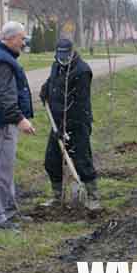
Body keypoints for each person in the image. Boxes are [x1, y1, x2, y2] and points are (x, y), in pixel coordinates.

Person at [0, 21, 36, 230]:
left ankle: (9, 211)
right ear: (10, 38)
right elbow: (4, 95)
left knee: (5, 167)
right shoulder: (3, 62)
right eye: (22, 38)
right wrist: (19, 119)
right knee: (0, 170)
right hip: (0, 122)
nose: (23, 42)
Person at [39, 37, 99, 211]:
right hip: (57, 123)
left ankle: (93, 196)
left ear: (72, 52)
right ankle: (57, 197)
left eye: (66, 55)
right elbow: (52, 81)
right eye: (60, 54)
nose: (62, 58)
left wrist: (66, 126)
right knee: (51, 161)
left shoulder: (82, 71)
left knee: (82, 160)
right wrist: (46, 89)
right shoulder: (56, 65)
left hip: (78, 122)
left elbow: (79, 104)